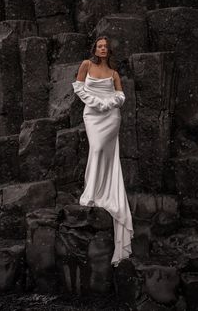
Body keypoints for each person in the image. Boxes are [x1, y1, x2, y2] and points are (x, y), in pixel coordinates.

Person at [72, 36, 134, 267]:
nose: (103, 49)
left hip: (111, 117)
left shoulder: (114, 73)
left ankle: (101, 192)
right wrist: (97, 102)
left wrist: (110, 103)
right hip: (92, 115)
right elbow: (78, 87)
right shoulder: (86, 65)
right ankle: (93, 192)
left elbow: (121, 95)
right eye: (100, 46)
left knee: (105, 154)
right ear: (95, 49)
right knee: (96, 149)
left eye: (106, 47)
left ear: (109, 50)